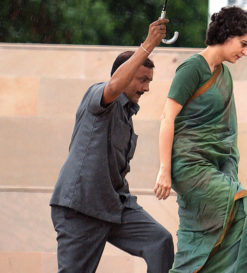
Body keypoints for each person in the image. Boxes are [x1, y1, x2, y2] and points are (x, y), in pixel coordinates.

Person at [50, 18, 174, 273]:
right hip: (80, 209)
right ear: (124, 74)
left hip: (115, 207)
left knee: (160, 242)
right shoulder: (99, 97)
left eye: (149, 80)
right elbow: (114, 86)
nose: (147, 87)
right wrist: (149, 44)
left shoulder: (128, 117)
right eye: (141, 79)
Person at [154, 6, 247, 273]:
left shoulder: (224, 75)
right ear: (227, 34)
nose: (245, 52)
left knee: (223, 234)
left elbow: (227, 133)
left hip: (213, 168)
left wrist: (228, 170)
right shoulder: (192, 68)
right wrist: (164, 171)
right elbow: (167, 117)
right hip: (189, 166)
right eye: (243, 44)